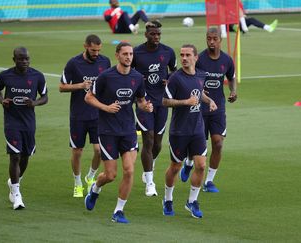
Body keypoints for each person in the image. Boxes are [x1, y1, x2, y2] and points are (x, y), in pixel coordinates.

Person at [84, 42, 153, 224]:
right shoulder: (106, 76)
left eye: (130, 54)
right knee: (111, 175)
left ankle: (118, 211)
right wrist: (105, 107)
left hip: (128, 130)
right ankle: (95, 189)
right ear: (117, 55)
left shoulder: (137, 77)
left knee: (129, 171)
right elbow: (88, 97)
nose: (129, 57)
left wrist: (145, 106)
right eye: (125, 54)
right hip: (107, 131)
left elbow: (139, 101)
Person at [162, 44, 217, 219]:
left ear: (195, 58)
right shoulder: (175, 78)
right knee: (175, 167)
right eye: (182, 55)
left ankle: (192, 201)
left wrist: (209, 101)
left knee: (201, 165)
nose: (184, 58)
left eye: (187, 55)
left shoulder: (201, 74)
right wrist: (185, 102)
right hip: (179, 131)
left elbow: (199, 92)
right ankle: (168, 199)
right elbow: (165, 101)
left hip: (197, 129)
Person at [179, 27, 237, 193]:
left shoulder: (226, 60)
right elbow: (190, 78)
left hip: (218, 108)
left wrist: (233, 91)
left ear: (220, 40)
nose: (211, 42)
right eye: (208, 38)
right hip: (199, 108)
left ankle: (209, 181)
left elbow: (231, 77)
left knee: (217, 143)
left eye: (214, 39)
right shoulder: (200, 59)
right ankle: (189, 163)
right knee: (197, 146)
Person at [0, 46, 48, 210]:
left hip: (29, 123)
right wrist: (2, 100)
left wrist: (35, 102)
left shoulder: (37, 76)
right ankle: (17, 195)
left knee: (25, 156)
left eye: (26, 59)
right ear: (14, 60)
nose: (24, 61)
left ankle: (14, 181)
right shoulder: (5, 75)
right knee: (15, 156)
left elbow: (45, 97)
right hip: (12, 122)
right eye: (20, 59)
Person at [59, 34, 111, 198]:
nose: (96, 53)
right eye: (93, 50)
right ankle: (77, 183)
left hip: (98, 114)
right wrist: (80, 85)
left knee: (98, 150)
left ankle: (90, 176)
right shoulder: (73, 63)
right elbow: (61, 87)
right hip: (78, 115)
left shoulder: (105, 62)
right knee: (78, 151)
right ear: (85, 46)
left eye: (98, 50)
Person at [132, 20, 177, 197]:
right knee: (148, 140)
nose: (156, 37)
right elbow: (128, 73)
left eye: (158, 34)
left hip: (162, 103)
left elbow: (174, 70)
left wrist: (170, 79)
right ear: (146, 34)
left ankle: (149, 165)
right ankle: (150, 183)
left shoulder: (168, 52)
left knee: (157, 144)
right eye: (153, 34)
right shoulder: (136, 53)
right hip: (144, 103)